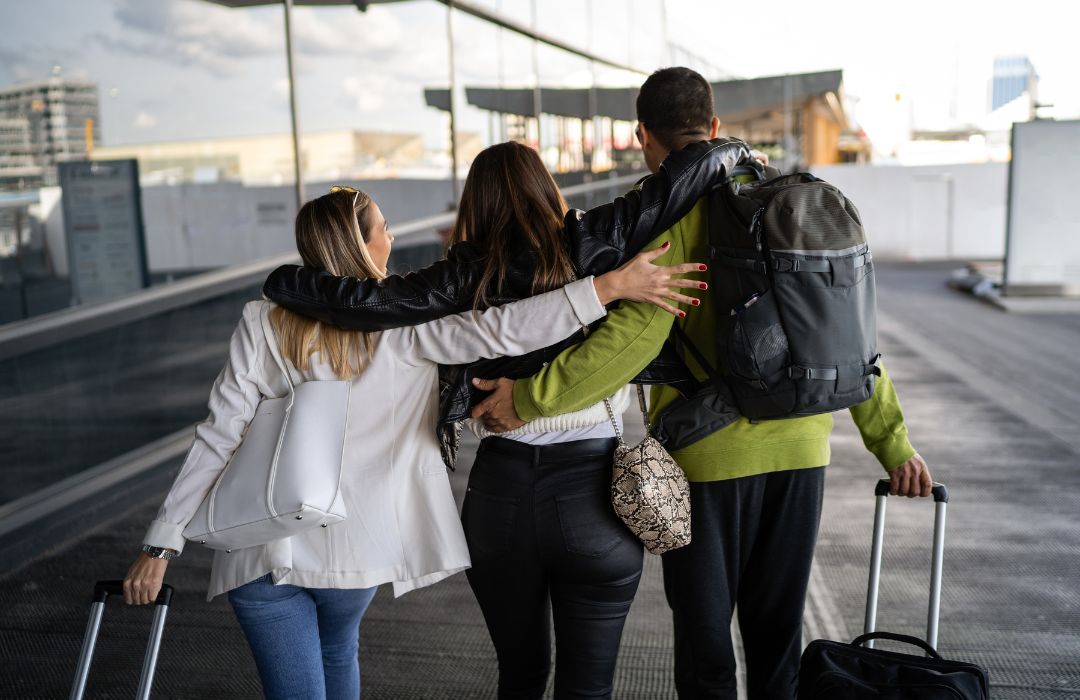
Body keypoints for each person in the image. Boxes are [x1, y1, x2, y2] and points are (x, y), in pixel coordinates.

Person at [121, 185, 698, 700]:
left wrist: (161, 543)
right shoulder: (408, 328)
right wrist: (609, 286)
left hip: (259, 545)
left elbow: (220, 434)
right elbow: (508, 327)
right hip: (352, 553)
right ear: (363, 246)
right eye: (384, 226)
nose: (393, 234)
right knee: (336, 653)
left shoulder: (261, 321)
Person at [469, 67, 935, 700]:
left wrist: (527, 398)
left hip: (708, 458)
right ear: (714, 127)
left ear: (641, 136)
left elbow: (634, 340)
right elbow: (844, 332)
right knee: (778, 638)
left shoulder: (669, 213)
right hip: (802, 447)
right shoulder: (786, 195)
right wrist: (894, 444)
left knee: (707, 640)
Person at [260, 140, 751, 698]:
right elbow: (675, 182)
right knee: (587, 688)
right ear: (544, 186)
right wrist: (735, 151)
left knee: (518, 678)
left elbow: (368, 305)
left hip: (499, 499)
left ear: (477, 202)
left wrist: (284, 281)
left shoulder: (457, 276)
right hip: (594, 499)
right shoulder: (596, 239)